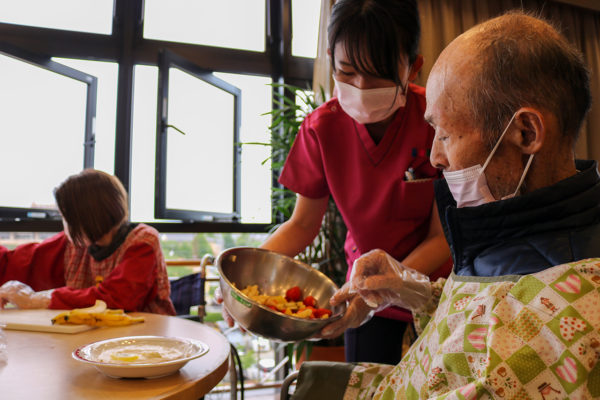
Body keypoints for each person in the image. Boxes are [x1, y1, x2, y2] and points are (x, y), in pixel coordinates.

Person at [289, 10, 600, 399]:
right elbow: (478, 311)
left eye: (448, 136)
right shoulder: (509, 221)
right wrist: (411, 289)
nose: (434, 158)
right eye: (432, 131)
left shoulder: (559, 319)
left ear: (526, 131)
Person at [257, 0, 451, 365]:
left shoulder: (436, 121)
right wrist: (244, 271)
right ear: (330, 59)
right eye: (346, 71)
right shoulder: (322, 129)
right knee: (364, 385)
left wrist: (396, 281)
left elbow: (442, 238)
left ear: (413, 67)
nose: (361, 87)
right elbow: (301, 225)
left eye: (378, 75)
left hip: (434, 287)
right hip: (362, 292)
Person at [0, 169, 176, 315]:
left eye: (65, 217)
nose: (64, 224)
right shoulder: (75, 244)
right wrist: (12, 289)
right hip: (94, 338)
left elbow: (117, 298)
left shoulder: (142, 241)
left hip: (147, 339)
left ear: (83, 218)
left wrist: (37, 299)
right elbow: (16, 262)